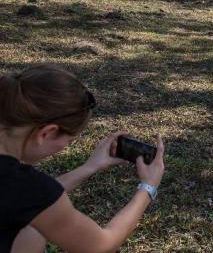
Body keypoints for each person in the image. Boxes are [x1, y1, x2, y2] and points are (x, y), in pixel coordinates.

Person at [0, 64, 165, 253]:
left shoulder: (21, 189)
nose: (63, 148)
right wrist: (148, 187)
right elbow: (102, 244)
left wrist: (89, 167)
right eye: (68, 141)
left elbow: (27, 200)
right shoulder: (24, 186)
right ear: (46, 132)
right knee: (30, 233)